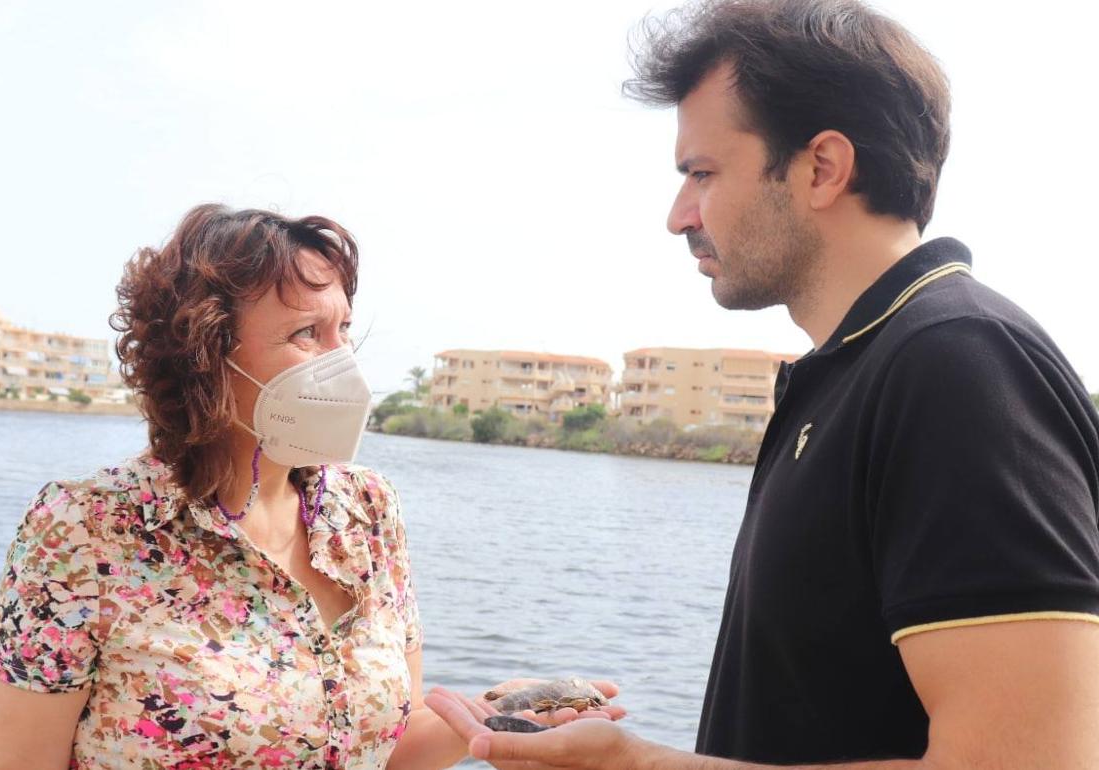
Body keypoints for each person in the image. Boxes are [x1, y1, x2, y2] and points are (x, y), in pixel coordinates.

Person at [425, 1, 1099, 767]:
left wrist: (636, 764)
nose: (679, 216)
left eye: (702, 173)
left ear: (822, 168)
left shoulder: (958, 365)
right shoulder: (857, 372)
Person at [0, 204, 620, 770]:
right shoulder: (85, 531)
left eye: (344, 330)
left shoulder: (368, 511)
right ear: (205, 354)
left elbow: (386, 745)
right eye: (308, 333)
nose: (343, 362)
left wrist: (494, 716)